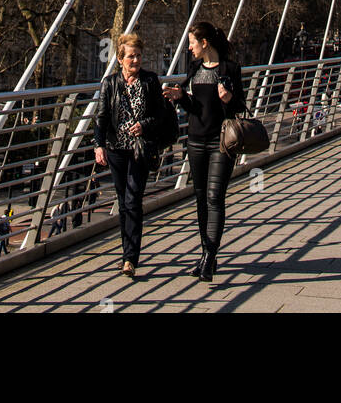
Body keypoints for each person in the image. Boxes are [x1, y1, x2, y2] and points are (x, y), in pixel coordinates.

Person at [164, 21, 246, 283]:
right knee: (200, 198)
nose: (188, 48)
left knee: (214, 197)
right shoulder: (195, 69)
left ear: (205, 43)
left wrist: (228, 99)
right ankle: (205, 253)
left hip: (221, 142)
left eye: (191, 43)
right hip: (196, 140)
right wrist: (180, 96)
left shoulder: (230, 69)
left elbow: (241, 105)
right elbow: (195, 107)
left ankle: (210, 257)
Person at [94, 30, 169, 278]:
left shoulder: (150, 82)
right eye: (130, 57)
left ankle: (130, 258)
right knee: (123, 200)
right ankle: (126, 251)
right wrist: (99, 145)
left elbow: (160, 116)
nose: (135, 61)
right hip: (116, 149)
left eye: (138, 56)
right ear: (120, 59)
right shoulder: (110, 84)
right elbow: (102, 118)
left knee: (132, 199)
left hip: (140, 149)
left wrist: (144, 126)